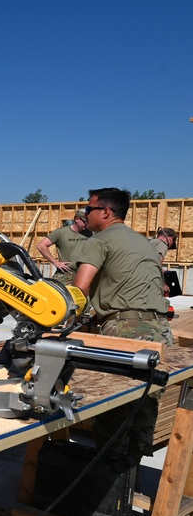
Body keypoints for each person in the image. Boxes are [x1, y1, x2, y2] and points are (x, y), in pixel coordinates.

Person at [74, 187, 173, 465]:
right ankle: (130, 479)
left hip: (126, 333)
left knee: (113, 409)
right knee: (145, 408)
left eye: (89, 209)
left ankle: (107, 486)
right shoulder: (143, 242)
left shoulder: (99, 240)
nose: (85, 214)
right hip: (160, 331)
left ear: (105, 212)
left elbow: (79, 289)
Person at [37, 209, 91, 284]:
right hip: (66, 273)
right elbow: (41, 246)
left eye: (89, 221)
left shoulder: (92, 233)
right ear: (77, 219)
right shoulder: (61, 232)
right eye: (85, 221)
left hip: (84, 272)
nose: (87, 224)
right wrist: (55, 262)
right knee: (54, 293)